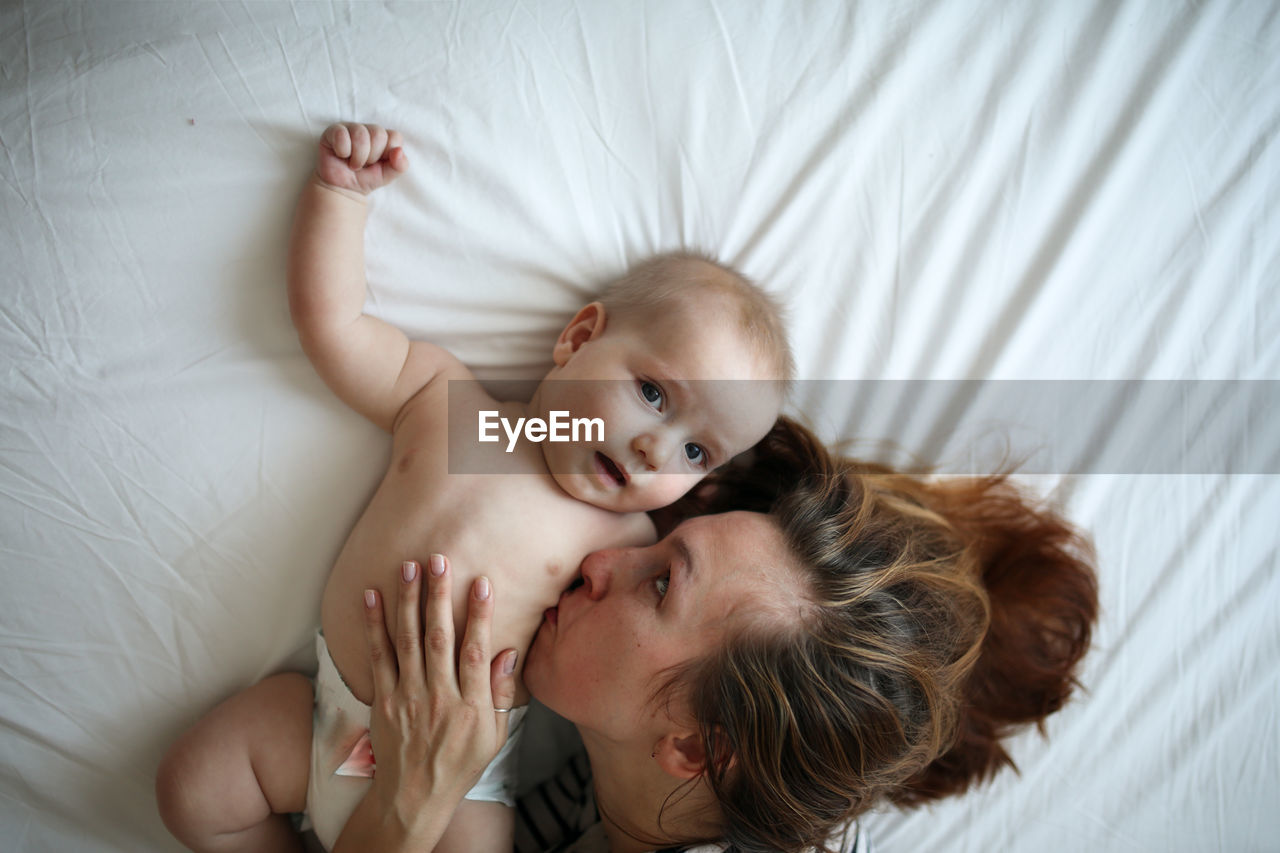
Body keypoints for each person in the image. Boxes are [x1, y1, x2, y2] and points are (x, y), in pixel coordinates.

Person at [155, 122, 791, 853]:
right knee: (194, 785)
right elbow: (334, 324)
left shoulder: (624, 544)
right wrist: (341, 198)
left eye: (694, 448)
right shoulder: (452, 410)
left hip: (467, 782)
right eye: (652, 391)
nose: (654, 447)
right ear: (579, 338)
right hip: (328, 715)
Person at [332, 416, 1099, 853]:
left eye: (662, 582)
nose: (598, 558)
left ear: (697, 748)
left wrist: (410, 802)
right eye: (659, 549)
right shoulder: (606, 792)